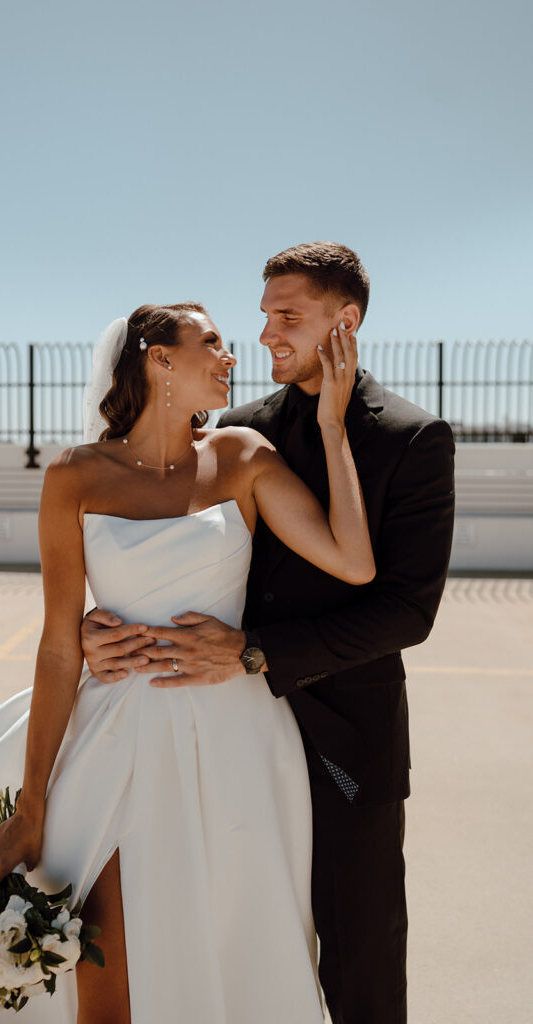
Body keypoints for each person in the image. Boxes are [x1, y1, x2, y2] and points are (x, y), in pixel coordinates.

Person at [0, 299, 373, 1024]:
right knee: (102, 964)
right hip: (114, 737)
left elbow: (352, 561)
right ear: (159, 359)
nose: (231, 356)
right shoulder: (74, 475)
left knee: (234, 944)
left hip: (236, 739)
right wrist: (31, 803)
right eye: (212, 343)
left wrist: (332, 426)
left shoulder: (242, 455)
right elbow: (60, 643)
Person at [81, 245, 456, 1024]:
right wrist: (106, 621)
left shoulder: (414, 440)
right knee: (233, 937)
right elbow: (164, 540)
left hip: (347, 741)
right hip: (229, 737)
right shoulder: (237, 431)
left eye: (288, 317)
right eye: (261, 317)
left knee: (361, 953)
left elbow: (405, 612)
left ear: (344, 321)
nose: (265, 336)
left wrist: (254, 653)